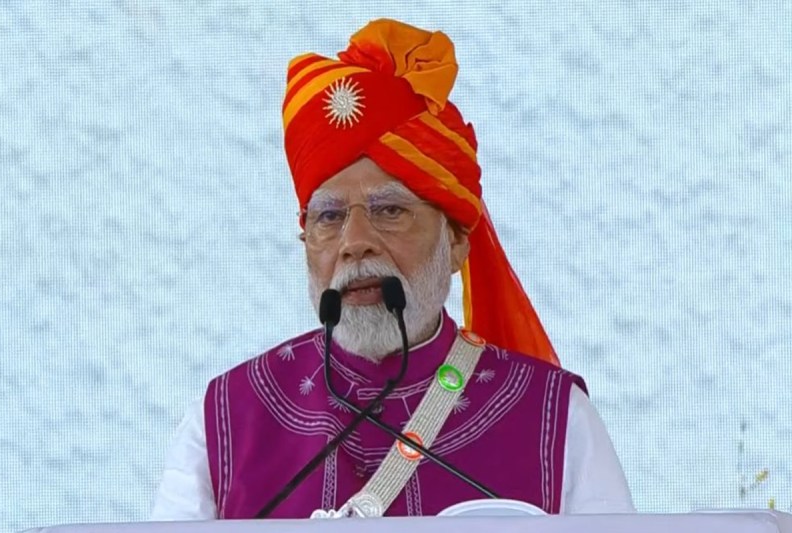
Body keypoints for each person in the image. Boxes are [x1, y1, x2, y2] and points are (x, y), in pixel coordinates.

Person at [151, 18, 634, 520]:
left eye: (389, 210)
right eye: (329, 217)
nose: (355, 243)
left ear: (456, 242)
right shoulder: (225, 424)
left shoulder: (555, 422)